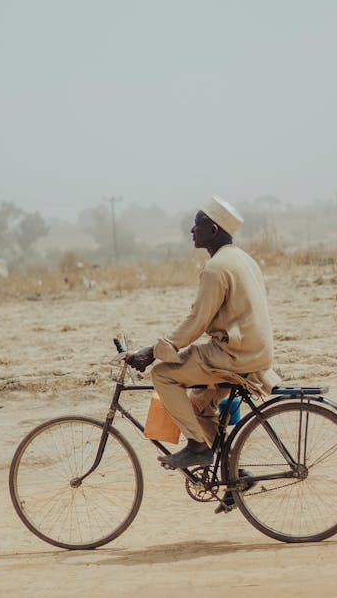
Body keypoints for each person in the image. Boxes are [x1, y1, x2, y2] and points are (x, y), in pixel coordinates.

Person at [126, 195, 280, 470]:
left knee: (163, 375)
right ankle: (234, 474)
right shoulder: (243, 259)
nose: (192, 230)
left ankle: (197, 448)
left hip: (235, 355)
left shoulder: (216, 268)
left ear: (213, 230)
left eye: (197, 224)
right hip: (254, 352)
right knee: (198, 405)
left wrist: (154, 352)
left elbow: (197, 321)